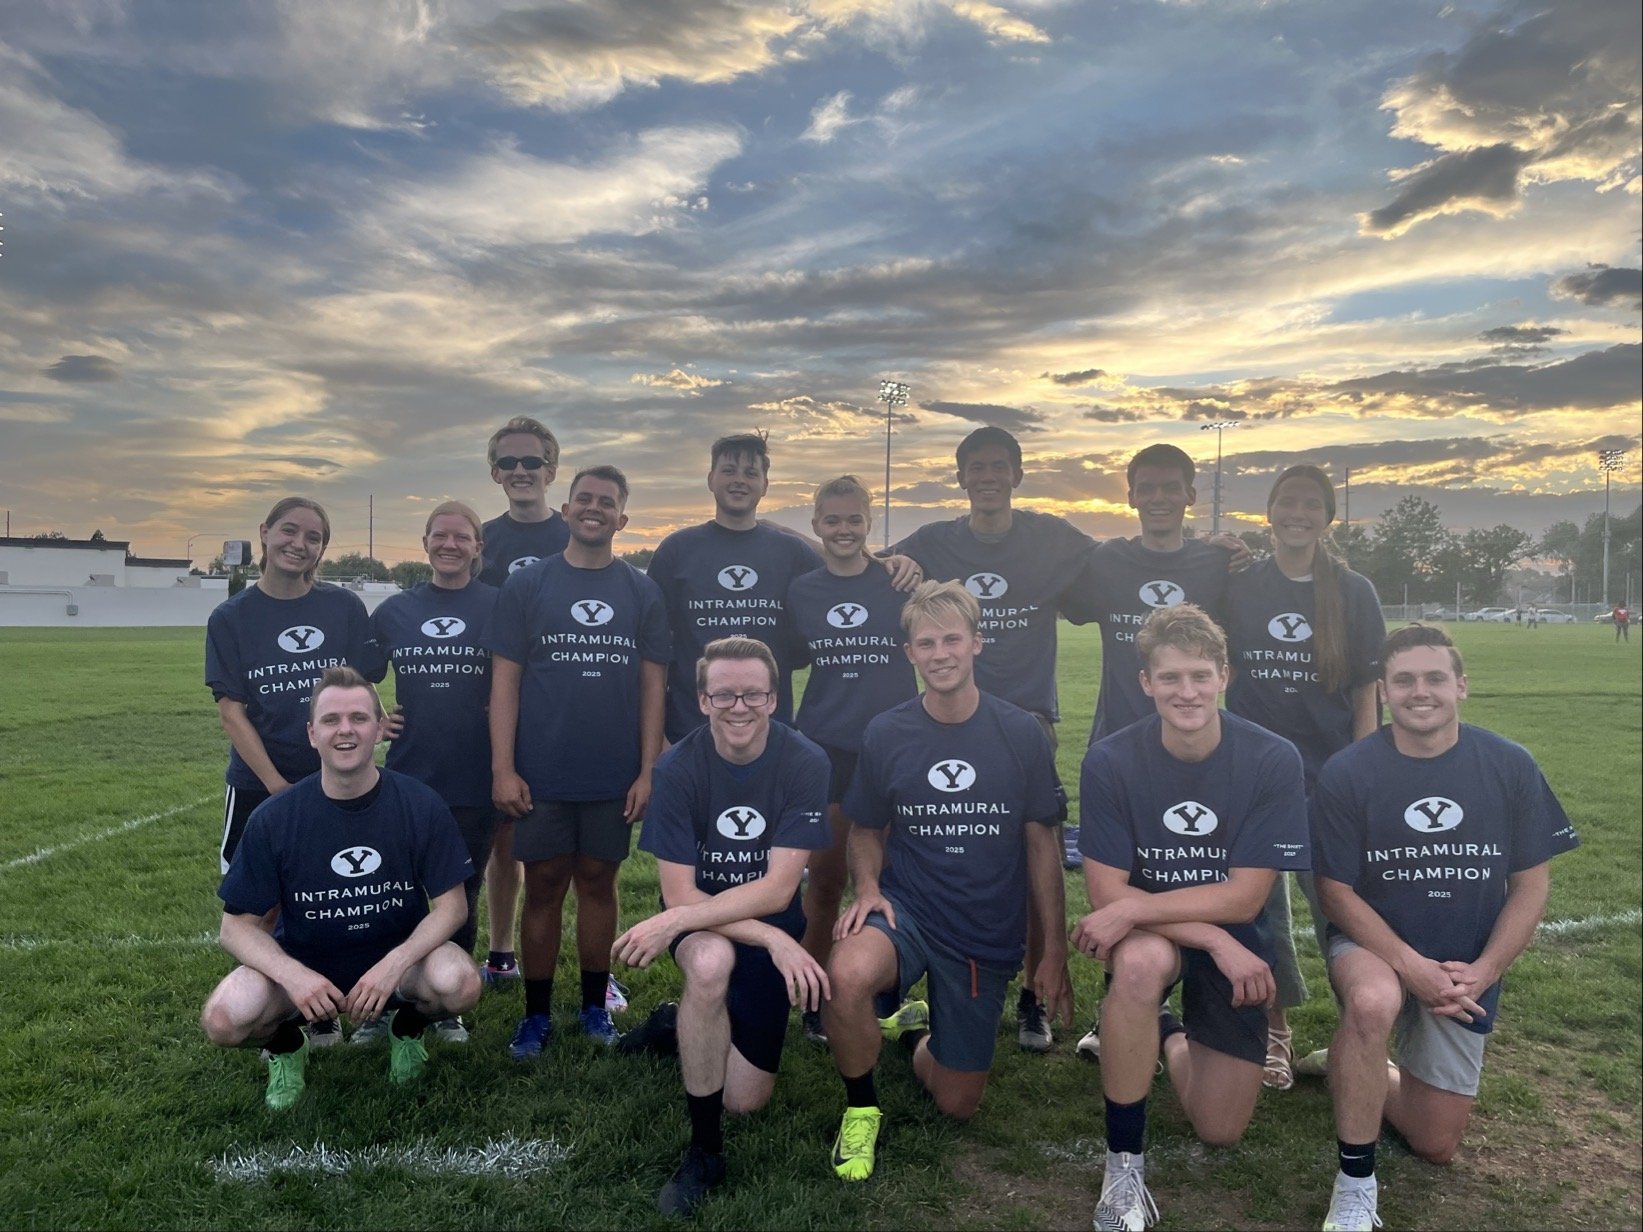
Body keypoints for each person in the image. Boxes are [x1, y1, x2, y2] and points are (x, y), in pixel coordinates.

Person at [1311, 624, 1579, 1231]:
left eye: (1435, 678)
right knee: (1374, 1002)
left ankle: (1353, 1063)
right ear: (1384, 690)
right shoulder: (1349, 771)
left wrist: (1483, 972)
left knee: (1436, 1144)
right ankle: (1355, 1184)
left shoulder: (1509, 764)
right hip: (1375, 945)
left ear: (1462, 686)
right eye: (1403, 680)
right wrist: (1410, 966)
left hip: (1464, 964)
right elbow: (1335, 891)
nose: (1420, 691)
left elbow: (1531, 885)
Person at [823, 581, 1072, 1183]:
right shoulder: (886, 732)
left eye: (952, 639)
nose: (940, 653)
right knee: (846, 975)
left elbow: (1043, 844)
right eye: (925, 642)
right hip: (908, 908)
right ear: (909, 653)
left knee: (957, 1104)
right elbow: (865, 828)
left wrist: (1055, 950)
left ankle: (915, 1039)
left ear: (977, 644)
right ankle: (861, 1109)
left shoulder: (1020, 734)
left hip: (982, 930)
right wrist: (869, 889)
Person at [1073, 603, 1308, 1231]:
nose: (1187, 691)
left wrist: (1216, 934)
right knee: (1141, 964)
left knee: (1220, 1130)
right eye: (1170, 678)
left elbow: (1245, 899)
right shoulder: (1111, 760)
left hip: (1229, 934)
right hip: (1153, 938)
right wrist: (1204, 934)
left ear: (1225, 676)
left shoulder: (1272, 758)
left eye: (1200, 675)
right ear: (1146, 682)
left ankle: (1167, 1030)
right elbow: (1105, 894)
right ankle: (1123, 1164)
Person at [889, 425, 1094, 1051]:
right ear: (960, 478)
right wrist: (893, 563)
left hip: (1024, 720)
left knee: (1034, 858)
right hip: (945, 720)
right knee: (944, 846)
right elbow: (869, 562)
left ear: (1018, 474)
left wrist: (1214, 547)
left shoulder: (1052, 536)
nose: (987, 476)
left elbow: (1126, 560)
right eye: (975, 467)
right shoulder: (935, 540)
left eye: (998, 466)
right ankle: (915, 973)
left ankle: (1033, 995)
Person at [612, 636, 831, 1217]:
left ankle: (672, 1025)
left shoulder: (805, 760)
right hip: (710, 924)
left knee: (746, 1102)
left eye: (753, 694)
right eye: (725, 695)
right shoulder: (678, 766)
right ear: (704, 701)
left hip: (751, 921)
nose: (740, 707)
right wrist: (774, 937)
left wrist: (767, 930)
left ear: (774, 699)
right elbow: (681, 895)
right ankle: (705, 1151)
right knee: (709, 964)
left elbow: (780, 889)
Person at [198, 667, 481, 1110]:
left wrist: (394, 964)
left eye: (358, 718)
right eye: (331, 720)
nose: (345, 730)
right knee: (224, 1019)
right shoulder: (277, 817)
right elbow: (235, 928)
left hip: (395, 968)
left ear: (378, 729)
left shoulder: (419, 803)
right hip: (306, 968)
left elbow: (452, 907)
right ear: (312, 734)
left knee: (460, 982)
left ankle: (405, 1026)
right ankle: (287, 1045)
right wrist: (295, 976)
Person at [487, 466, 669, 1057]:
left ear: (623, 518)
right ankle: (535, 1015)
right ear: (566, 510)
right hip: (542, 771)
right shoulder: (529, 585)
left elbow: (652, 688)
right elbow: (505, 683)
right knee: (542, 885)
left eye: (608, 502)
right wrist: (503, 767)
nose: (595, 509)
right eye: (585, 500)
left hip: (612, 772)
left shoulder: (641, 590)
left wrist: (647, 770)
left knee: (598, 882)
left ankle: (594, 1007)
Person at [1071, 442, 1242, 1062]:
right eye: (1149, 486)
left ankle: (1249, 1019)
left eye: (1174, 486)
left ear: (1191, 495)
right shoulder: (1103, 561)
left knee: (1200, 868)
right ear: (1130, 494)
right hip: (1121, 744)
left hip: (1199, 750)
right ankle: (1118, 1007)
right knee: (1123, 880)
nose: (1161, 497)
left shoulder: (1218, 563)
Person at [1224, 465, 1385, 1090]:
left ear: (1328, 517)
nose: (1298, 513)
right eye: (1287, 502)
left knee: (1343, 909)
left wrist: (1365, 770)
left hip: (1332, 778)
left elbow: (1367, 691)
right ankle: (1275, 1033)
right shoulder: (1240, 585)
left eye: (1311, 504)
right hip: (1255, 778)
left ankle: (1361, 1036)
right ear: (1269, 511)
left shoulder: (1352, 590)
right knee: (1259, 911)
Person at [204, 496, 370, 1046]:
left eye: (314, 536)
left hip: (339, 781)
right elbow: (233, 712)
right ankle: (284, 1015)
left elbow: (359, 686)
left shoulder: (342, 609)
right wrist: (279, 788)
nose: (300, 543)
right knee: (263, 908)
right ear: (265, 533)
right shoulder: (231, 617)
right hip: (260, 784)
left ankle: (332, 1007)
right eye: (289, 531)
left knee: (334, 893)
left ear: (323, 548)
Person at [358, 500, 499, 1044]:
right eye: (440, 535)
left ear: (477, 547)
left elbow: (522, 676)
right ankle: (383, 1002)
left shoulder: (498, 605)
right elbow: (357, 670)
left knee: (460, 890)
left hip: (475, 777)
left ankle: (444, 1008)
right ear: (424, 542)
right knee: (393, 892)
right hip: (408, 774)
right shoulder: (395, 611)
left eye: (462, 537)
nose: (450, 544)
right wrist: (375, 713)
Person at [786, 475, 918, 1044]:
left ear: (870, 524)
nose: (843, 530)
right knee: (826, 879)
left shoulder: (898, 583)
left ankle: (888, 989)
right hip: (825, 746)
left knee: (892, 877)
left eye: (854, 520)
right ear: (816, 525)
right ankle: (815, 998)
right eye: (832, 520)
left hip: (893, 746)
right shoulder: (802, 591)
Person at [645, 432, 832, 745]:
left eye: (751, 473)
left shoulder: (793, 554)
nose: (739, 481)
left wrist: (891, 564)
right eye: (729, 471)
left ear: (765, 484)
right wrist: (659, 738)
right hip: (689, 733)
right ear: (710, 479)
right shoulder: (677, 550)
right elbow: (655, 651)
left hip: (770, 735)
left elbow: (842, 578)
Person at [474, 416, 571, 988]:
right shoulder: (482, 539)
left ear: (550, 470)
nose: (520, 472)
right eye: (508, 463)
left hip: (564, 714)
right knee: (504, 836)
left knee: (577, 849)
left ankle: (588, 960)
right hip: (498, 709)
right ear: (494, 473)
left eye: (531, 462)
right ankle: (502, 950)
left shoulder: (576, 532)